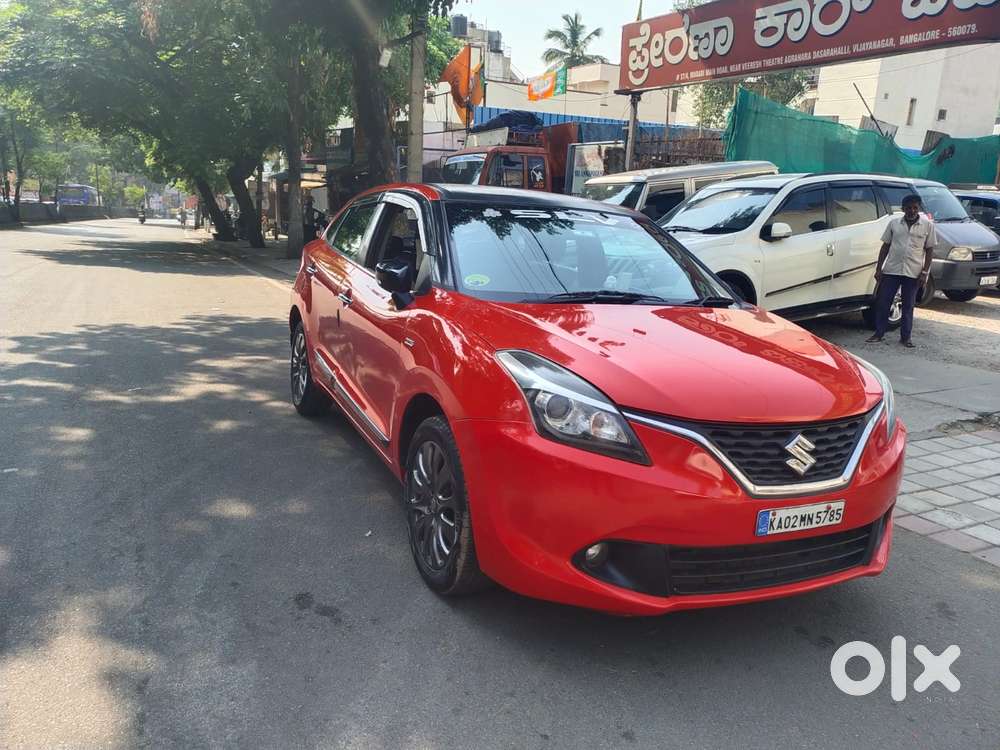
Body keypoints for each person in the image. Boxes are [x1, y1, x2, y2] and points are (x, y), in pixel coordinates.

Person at [867, 194, 936, 348]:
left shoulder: (927, 226)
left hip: (913, 272)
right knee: (883, 303)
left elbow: (930, 250)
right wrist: (879, 269)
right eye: (909, 208)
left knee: (908, 305)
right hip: (892, 269)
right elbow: (885, 246)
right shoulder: (894, 224)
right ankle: (879, 333)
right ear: (903, 209)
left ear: (918, 208)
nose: (912, 210)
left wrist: (925, 273)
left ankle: (906, 338)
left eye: (915, 208)